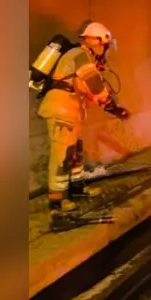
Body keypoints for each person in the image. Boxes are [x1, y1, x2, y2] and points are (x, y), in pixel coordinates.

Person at [36, 21, 130, 213]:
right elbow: (94, 86)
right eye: (105, 46)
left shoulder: (82, 56)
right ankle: (57, 200)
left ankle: (77, 188)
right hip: (61, 110)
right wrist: (114, 108)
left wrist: (111, 107)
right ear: (96, 42)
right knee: (61, 156)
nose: (105, 51)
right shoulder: (80, 56)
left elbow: (88, 90)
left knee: (75, 152)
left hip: (70, 112)